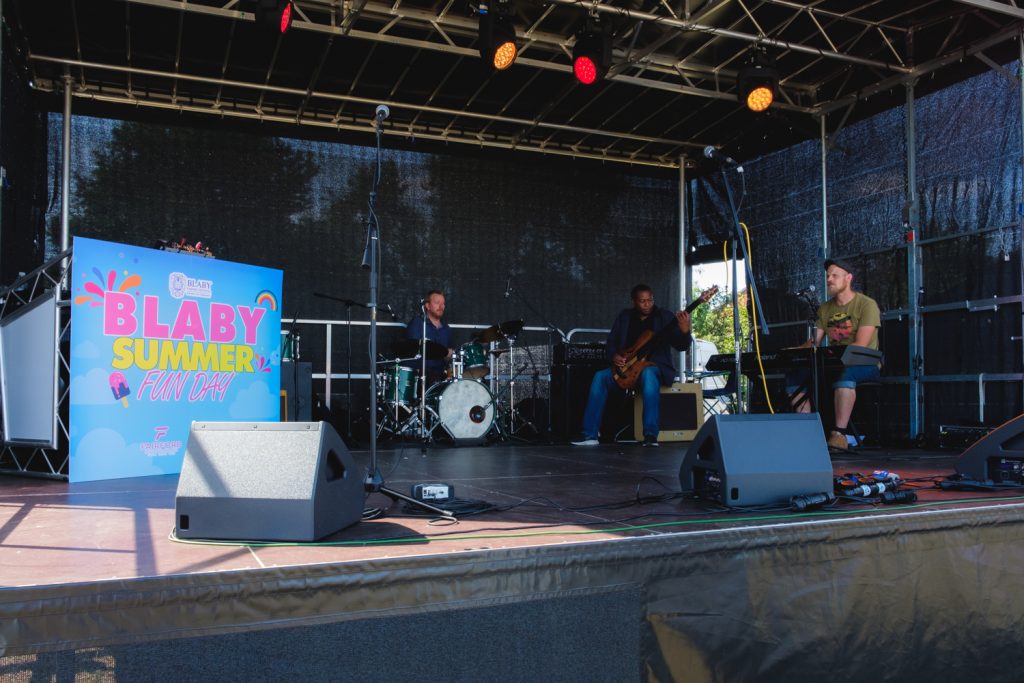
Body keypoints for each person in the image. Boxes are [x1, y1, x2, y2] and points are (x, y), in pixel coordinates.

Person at [572, 285, 693, 447]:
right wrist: (614, 356)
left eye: (650, 300)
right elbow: (612, 343)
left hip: (653, 368)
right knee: (600, 377)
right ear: (633, 301)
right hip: (627, 369)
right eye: (642, 301)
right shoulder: (624, 317)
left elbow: (681, 346)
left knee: (649, 373)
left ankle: (650, 436)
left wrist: (685, 331)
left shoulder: (664, 316)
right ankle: (590, 435)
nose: (647, 304)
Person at [790, 258, 881, 450]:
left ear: (848, 278)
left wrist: (834, 359)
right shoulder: (825, 309)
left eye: (834, 275)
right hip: (834, 362)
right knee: (795, 377)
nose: (829, 279)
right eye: (828, 276)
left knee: (845, 376)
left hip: (865, 363)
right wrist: (793, 352)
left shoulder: (867, 305)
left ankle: (839, 435)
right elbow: (814, 342)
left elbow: (861, 345)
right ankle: (807, 433)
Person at [404, 290, 454, 387]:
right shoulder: (417, 324)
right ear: (427, 306)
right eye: (437, 303)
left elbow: (449, 355)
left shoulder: (446, 329)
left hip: (440, 378)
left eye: (443, 304)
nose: (441, 307)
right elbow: (415, 350)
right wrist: (442, 352)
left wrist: (451, 354)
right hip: (419, 378)